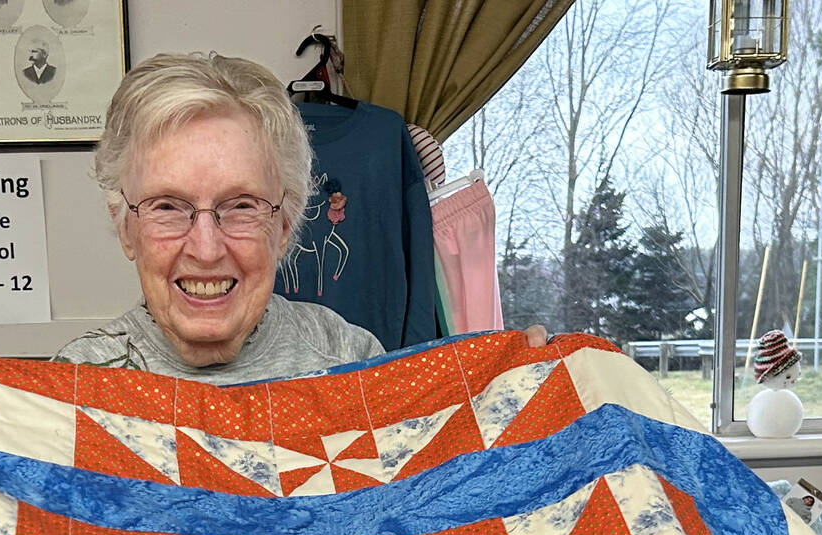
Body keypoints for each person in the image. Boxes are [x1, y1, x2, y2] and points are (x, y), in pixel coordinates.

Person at [57, 53, 546, 383]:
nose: (205, 248)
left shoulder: (353, 361)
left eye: (242, 206)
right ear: (126, 227)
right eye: (167, 207)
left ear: (286, 226)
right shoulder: (77, 382)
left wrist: (507, 391)